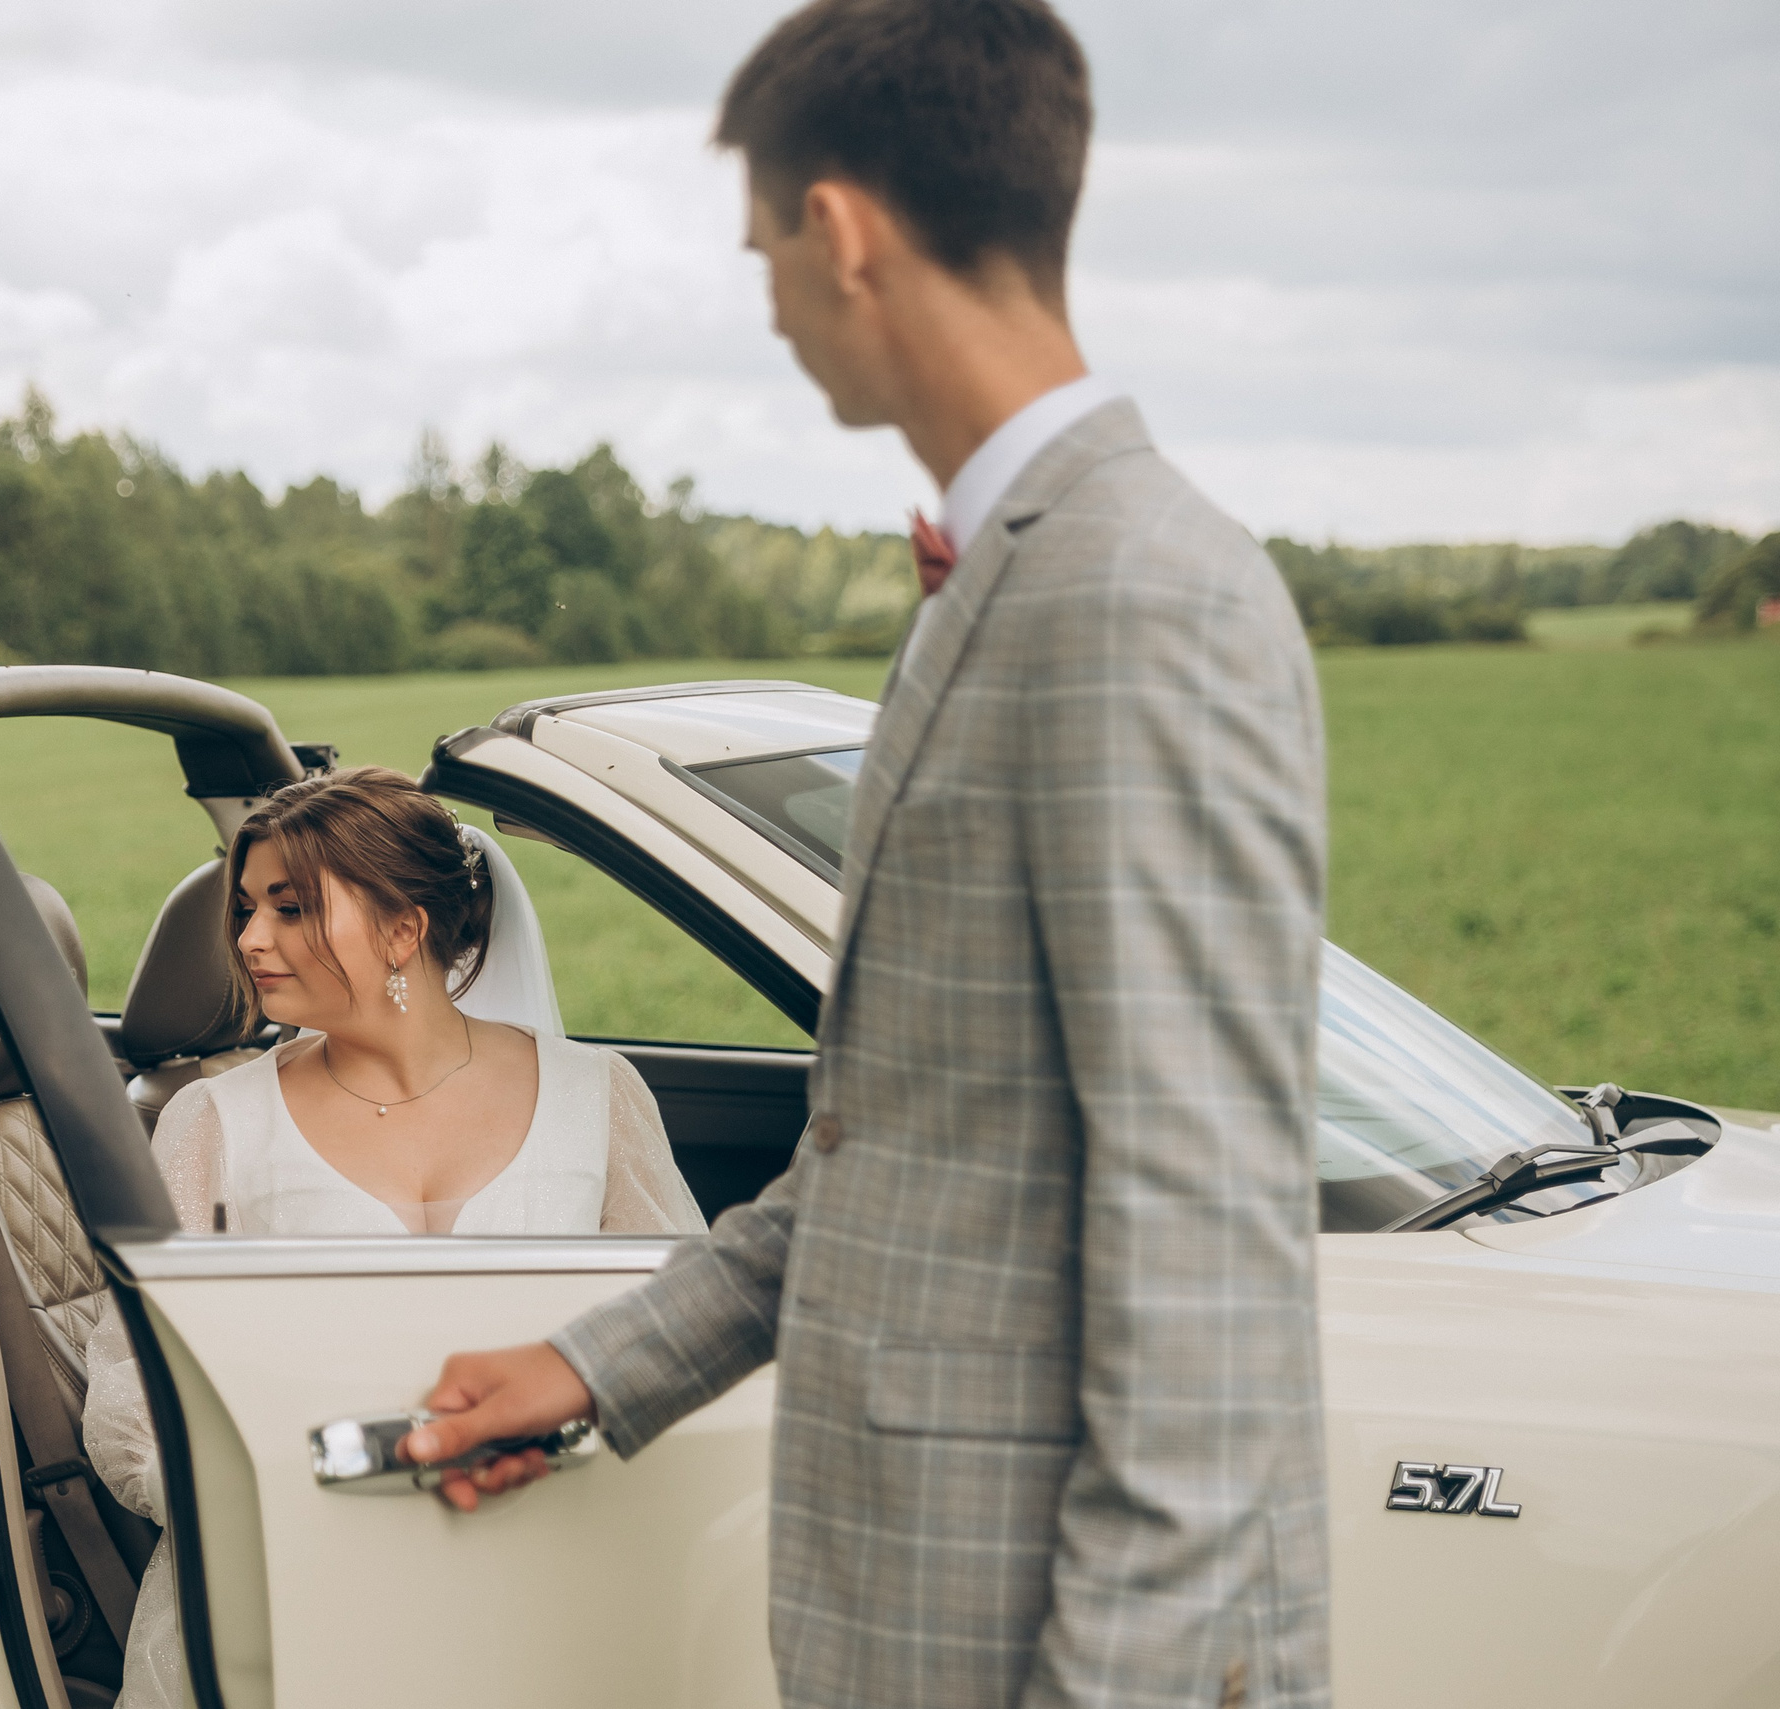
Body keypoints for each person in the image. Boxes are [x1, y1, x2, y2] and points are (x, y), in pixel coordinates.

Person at [398, 3, 1333, 1707]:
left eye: (759, 244)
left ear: (837, 229)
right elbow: (906, 1143)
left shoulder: (1137, 596)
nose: (764, 295)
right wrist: (593, 1364)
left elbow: (1206, 1265)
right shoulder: (1011, 586)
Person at [81, 766, 703, 1709]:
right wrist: (260, 1503)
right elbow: (131, 1383)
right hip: (283, 1593)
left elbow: (685, 1327)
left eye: (290, 909)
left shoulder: (598, 1098)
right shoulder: (214, 1121)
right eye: (246, 908)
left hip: (547, 1571)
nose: (250, 939)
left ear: (405, 927)